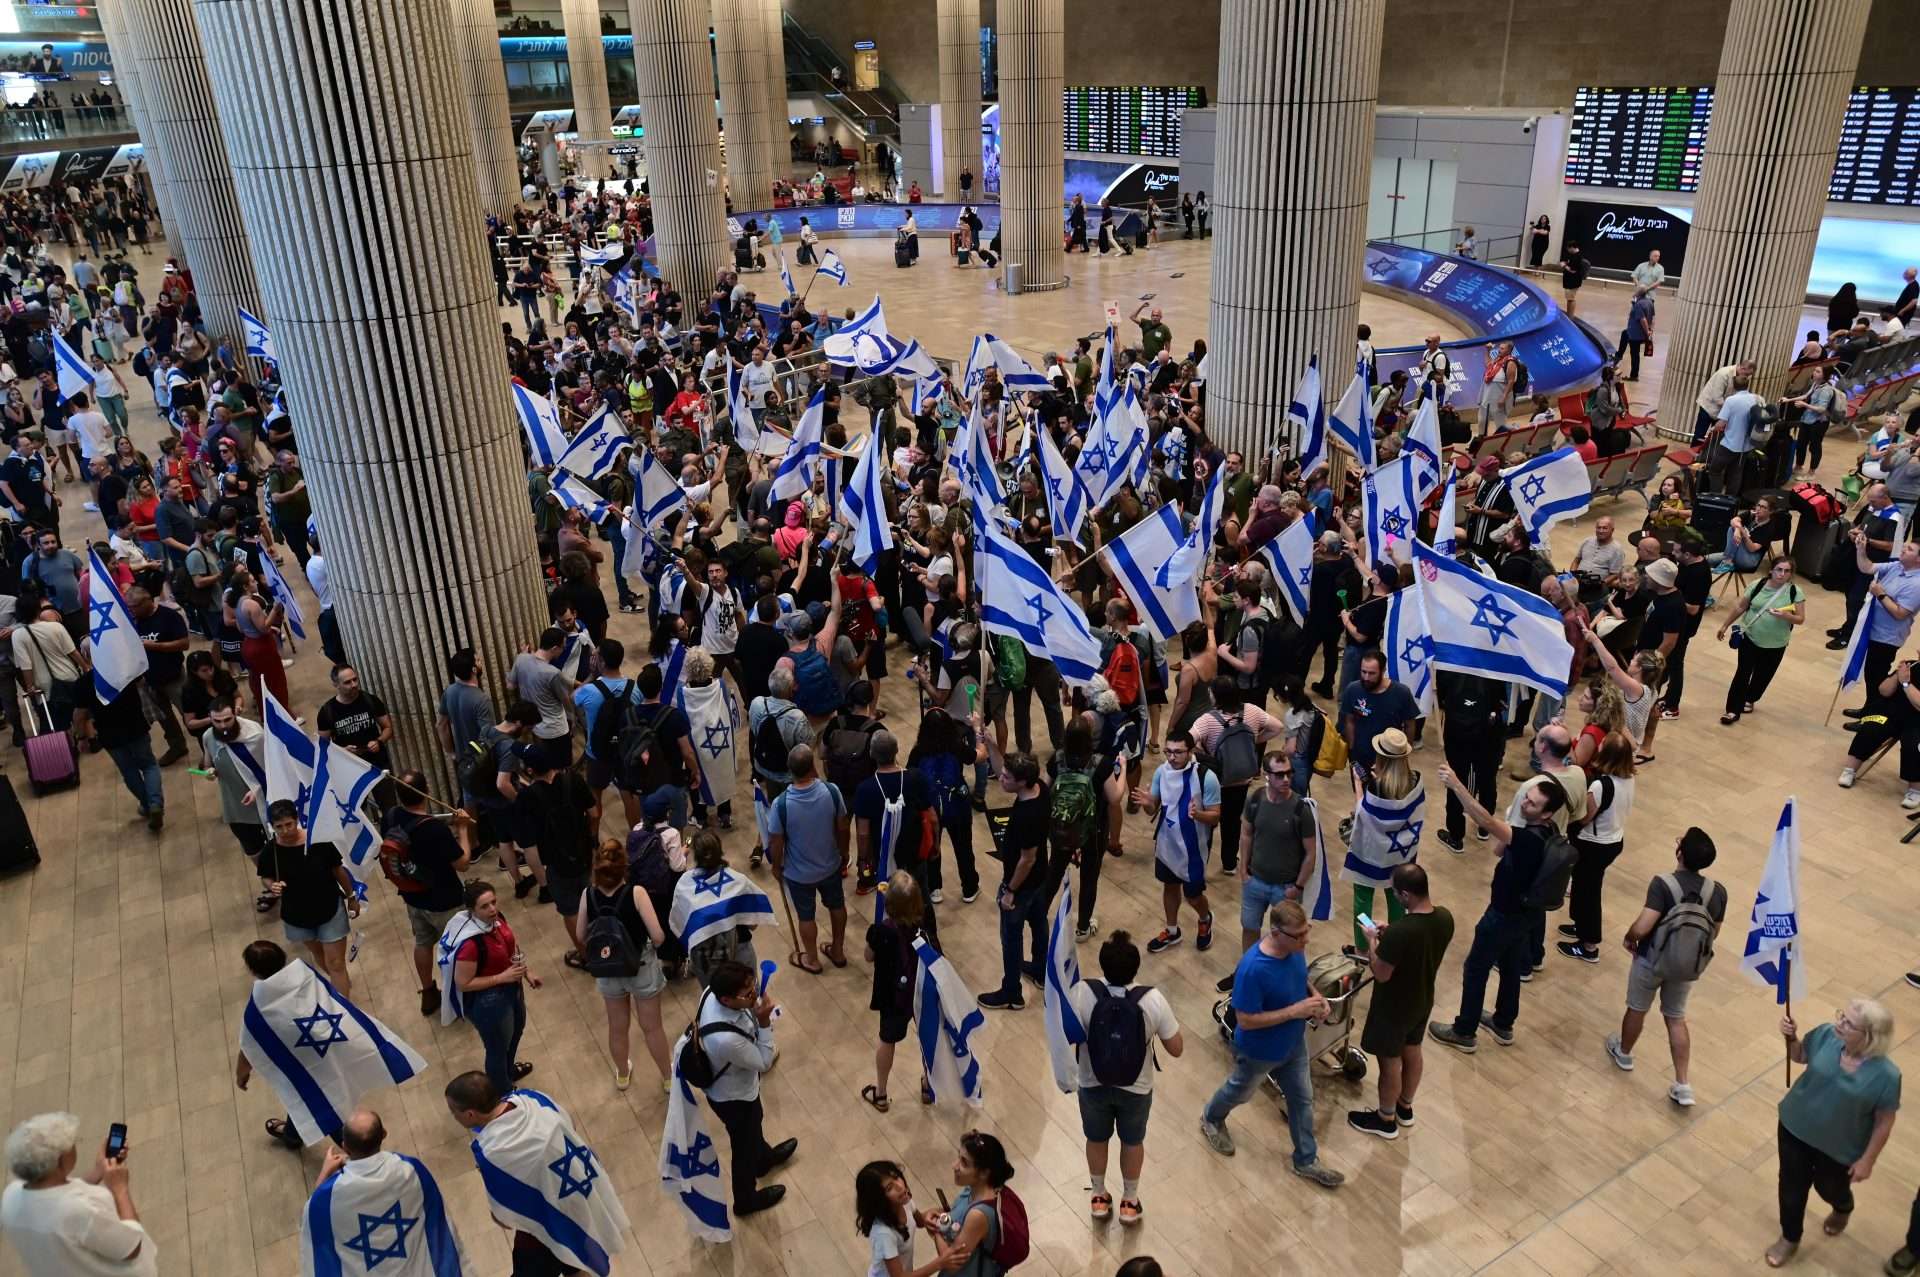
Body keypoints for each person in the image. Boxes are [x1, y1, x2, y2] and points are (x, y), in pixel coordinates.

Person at [1197, 900, 1344, 1187]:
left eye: (1307, 930)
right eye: (1299, 935)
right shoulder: (1253, 969)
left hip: (1294, 1043)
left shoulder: (1294, 948)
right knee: (1240, 1091)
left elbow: (1301, 979)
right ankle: (1211, 1117)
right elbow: (1246, 1020)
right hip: (1259, 1051)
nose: (1306, 939)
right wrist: (1295, 1011)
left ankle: (1306, 1160)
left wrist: (1316, 998)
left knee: (1302, 1098)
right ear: (1276, 933)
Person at [1427, 765, 1565, 1053]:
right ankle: (1503, 1022)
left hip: (1503, 914)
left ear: (1546, 813)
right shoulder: (1548, 830)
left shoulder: (1527, 840)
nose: (1525, 803)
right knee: (1510, 965)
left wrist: (1457, 785)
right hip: (1527, 914)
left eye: (1532, 804)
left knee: (1475, 968)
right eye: (1526, 797)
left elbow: (1486, 821)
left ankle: (1464, 1031)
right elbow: (1499, 848)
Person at [444, 1070, 628, 1275]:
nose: (453, 1116)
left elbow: (504, 1215)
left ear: (470, 1114)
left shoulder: (492, 1152)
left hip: (548, 1222)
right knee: (578, 1260)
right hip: (581, 1192)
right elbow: (569, 1124)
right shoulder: (532, 1098)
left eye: (454, 1111)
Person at [1765, 1000, 1901, 1267]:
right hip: (1796, 1127)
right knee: (1791, 1186)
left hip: (1841, 1146)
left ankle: (1842, 1206)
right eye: (1842, 1016)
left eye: (1849, 1023)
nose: (1839, 1023)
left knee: (1829, 1187)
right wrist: (1790, 1037)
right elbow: (1799, 1055)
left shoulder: (1887, 1076)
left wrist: (1868, 1160)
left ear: (1870, 1037)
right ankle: (1790, 1237)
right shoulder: (1826, 1035)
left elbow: (1884, 1122)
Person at [1600, 827, 1727, 1108]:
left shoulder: (1663, 884)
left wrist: (1630, 937)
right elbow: (1714, 933)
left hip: (1652, 959)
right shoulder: (1717, 892)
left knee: (1637, 1008)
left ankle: (1624, 1052)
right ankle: (1682, 1084)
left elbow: (1644, 925)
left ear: (1680, 853)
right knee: (1675, 1017)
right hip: (1686, 967)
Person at [1066, 930, 1183, 1223]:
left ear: (1102, 964)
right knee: (1132, 1141)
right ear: (1136, 967)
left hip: (1092, 1082)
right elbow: (1176, 1048)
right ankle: (1129, 1202)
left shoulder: (1082, 992)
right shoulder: (1152, 999)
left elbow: (1066, 1034)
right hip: (1137, 1087)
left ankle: (1098, 1196)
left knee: (1096, 1138)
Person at [1347, 863, 1453, 1139]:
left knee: (1390, 1061)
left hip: (1394, 1005)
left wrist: (1373, 942)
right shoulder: (1444, 918)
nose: (1394, 896)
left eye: (1395, 892)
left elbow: (1381, 973)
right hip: (1422, 998)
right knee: (1413, 1050)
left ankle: (1385, 1119)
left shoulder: (1401, 933)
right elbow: (1417, 941)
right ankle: (1405, 1106)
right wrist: (1391, 932)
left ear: (1406, 895)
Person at [297, 1109, 471, 1276]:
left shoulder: (329, 1198)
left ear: (344, 1147)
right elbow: (434, 1213)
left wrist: (325, 1172)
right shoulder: (410, 1170)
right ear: (384, 1134)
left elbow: (311, 1218)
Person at [691, 959, 795, 1215]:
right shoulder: (725, 1039)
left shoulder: (711, 992)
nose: (755, 995)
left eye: (754, 987)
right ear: (727, 1000)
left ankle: (763, 1159)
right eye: (748, 994)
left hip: (741, 1088)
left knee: (754, 1123)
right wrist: (764, 1023)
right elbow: (764, 1062)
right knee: (743, 1146)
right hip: (732, 1097)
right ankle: (745, 1200)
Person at [0, 1112, 154, 1276]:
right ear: (59, 1161)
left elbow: (57, 1193)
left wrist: (98, 1171)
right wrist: (120, 1189)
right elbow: (131, 1247)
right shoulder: (80, 1212)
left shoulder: (11, 1195)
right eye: (71, 1143)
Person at [577, 838, 671, 1090]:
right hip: (640, 966)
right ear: (624, 866)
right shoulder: (636, 893)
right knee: (652, 1028)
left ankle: (622, 1073)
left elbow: (580, 935)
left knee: (617, 1027)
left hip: (608, 969)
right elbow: (658, 936)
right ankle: (667, 1077)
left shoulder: (588, 895)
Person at [378, 773, 473, 1016]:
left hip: (413, 894)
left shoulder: (391, 817)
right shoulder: (433, 828)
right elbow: (462, 863)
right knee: (457, 948)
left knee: (422, 942)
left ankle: (428, 992)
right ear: (426, 791)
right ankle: (460, 994)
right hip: (444, 900)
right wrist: (462, 829)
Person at [1221, 752, 1319, 989]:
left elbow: (1311, 853)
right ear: (1266, 775)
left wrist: (1297, 887)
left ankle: (1293, 982)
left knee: (1292, 937)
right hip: (1255, 881)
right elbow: (1246, 834)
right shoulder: (1255, 800)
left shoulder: (1300, 809)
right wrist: (1243, 871)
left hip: (1286, 888)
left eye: (1289, 773)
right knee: (1250, 927)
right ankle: (1246, 973)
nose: (1286, 779)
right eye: (1279, 774)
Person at [975, 724, 1050, 1011]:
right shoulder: (1038, 787)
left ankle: (1011, 992)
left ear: (1021, 782)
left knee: (1011, 936)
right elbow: (1003, 767)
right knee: (1039, 923)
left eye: (1006, 777)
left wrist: (1010, 890)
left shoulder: (1028, 815)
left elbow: (1026, 859)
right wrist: (991, 743)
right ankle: (1041, 969)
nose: (1001, 778)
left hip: (1023, 884)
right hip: (1040, 877)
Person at [1131, 730, 1220, 957]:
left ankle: (1205, 918)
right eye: (1168, 751)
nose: (1171, 757)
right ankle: (1172, 931)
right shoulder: (1162, 772)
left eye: (1178, 752)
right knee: (1169, 886)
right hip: (1167, 841)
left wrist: (1198, 815)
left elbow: (1215, 816)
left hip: (1193, 846)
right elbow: (1153, 807)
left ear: (1190, 751)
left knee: (1193, 896)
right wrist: (1148, 804)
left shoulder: (1206, 777)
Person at [260, 798, 360, 999]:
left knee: (336, 962)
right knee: (320, 955)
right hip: (297, 915)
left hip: (329, 908)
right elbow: (265, 876)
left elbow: (338, 870)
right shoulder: (271, 851)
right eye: (279, 827)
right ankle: (339, 981)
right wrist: (272, 886)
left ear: (297, 820)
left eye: (289, 824)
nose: (285, 830)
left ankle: (344, 1004)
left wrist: (351, 896)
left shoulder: (318, 842)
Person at [447, 879, 539, 1094]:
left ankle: (507, 1071)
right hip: (489, 1004)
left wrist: (526, 972)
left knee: (515, 1032)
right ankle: (503, 1090)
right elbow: (463, 983)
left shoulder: (497, 920)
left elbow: (510, 946)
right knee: (497, 1047)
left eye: (494, 902)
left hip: (512, 990)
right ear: (472, 911)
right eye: (484, 906)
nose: (492, 909)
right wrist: (502, 977)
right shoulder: (470, 944)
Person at [511, 743, 597, 966]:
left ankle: (586, 957)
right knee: (589, 900)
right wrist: (591, 840)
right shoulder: (573, 780)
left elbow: (525, 840)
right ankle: (601, 945)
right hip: (584, 855)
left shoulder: (527, 797)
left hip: (558, 864)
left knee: (571, 910)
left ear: (530, 770)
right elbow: (594, 812)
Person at [1554, 732, 1637, 963]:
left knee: (1588, 891)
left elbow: (1584, 817)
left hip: (1594, 844)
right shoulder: (1628, 778)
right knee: (1584, 886)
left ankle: (1589, 945)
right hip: (1613, 839)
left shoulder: (1602, 785)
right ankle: (1580, 926)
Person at [861, 870, 934, 1112]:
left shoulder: (882, 931)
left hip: (893, 997)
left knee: (887, 1039)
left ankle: (881, 1093)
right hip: (922, 990)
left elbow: (868, 957)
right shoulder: (925, 920)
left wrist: (872, 939)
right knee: (927, 1037)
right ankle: (928, 1085)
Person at [1713, 554, 1805, 725]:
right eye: (1779, 570)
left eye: (1786, 571)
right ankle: (1732, 710)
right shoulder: (1757, 585)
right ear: (1771, 570)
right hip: (1750, 637)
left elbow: (1800, 619)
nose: (1782, 574)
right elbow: (1741, 606)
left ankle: (1751, 697)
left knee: (1763, 675)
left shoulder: (1795, 592)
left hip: (1776, 643)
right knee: (1742, 673)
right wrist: (1725, 625)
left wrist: (1786, 616)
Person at [929, 1131, 1018, 1276]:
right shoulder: (974, 1188)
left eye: (964, 1163)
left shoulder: (978, 1215)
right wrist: (939, 1215)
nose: (954, 1166)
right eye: (958, 1157)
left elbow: (952, 1264)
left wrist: (937, 1229)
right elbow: (958, 1213)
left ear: (984, 1173)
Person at [1340, 649, 1418, 773]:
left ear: (1383, 671)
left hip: (1390, 758)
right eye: (1363, 672)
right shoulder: (1352, 690)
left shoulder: (1401, 693)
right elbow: (1349, 721)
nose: (1366, 677)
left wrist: (1404, 754)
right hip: (1360, 758)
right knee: (1359, 785)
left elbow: (1410, 724)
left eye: (1372, 673)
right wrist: (1352, 750)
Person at [314, 663, 393, 770]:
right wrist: (343, 751)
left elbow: (388, 728)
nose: (354, 684)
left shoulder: (370, 700)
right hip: (350, 768)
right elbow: (322, 746)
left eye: (355, 679)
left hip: (378, 763)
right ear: (336, 685)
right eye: (347, 682)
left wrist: (379, 741)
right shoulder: (327, 712)